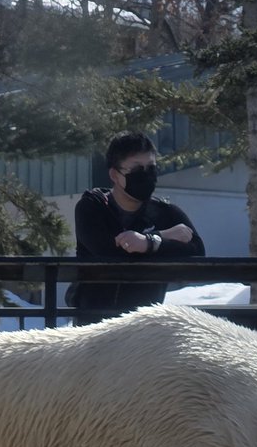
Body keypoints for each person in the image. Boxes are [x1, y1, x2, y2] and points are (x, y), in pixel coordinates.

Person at [70, 131, 205, 324]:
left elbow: (198, 253)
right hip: (93, 325)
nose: (146, 176)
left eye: (151, 168)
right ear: (115, 175)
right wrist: (160, 238)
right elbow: (108, 253)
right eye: (136, 170)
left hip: (142, 328)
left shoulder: (166, 212)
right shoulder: (93, 207)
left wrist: (150, 243)